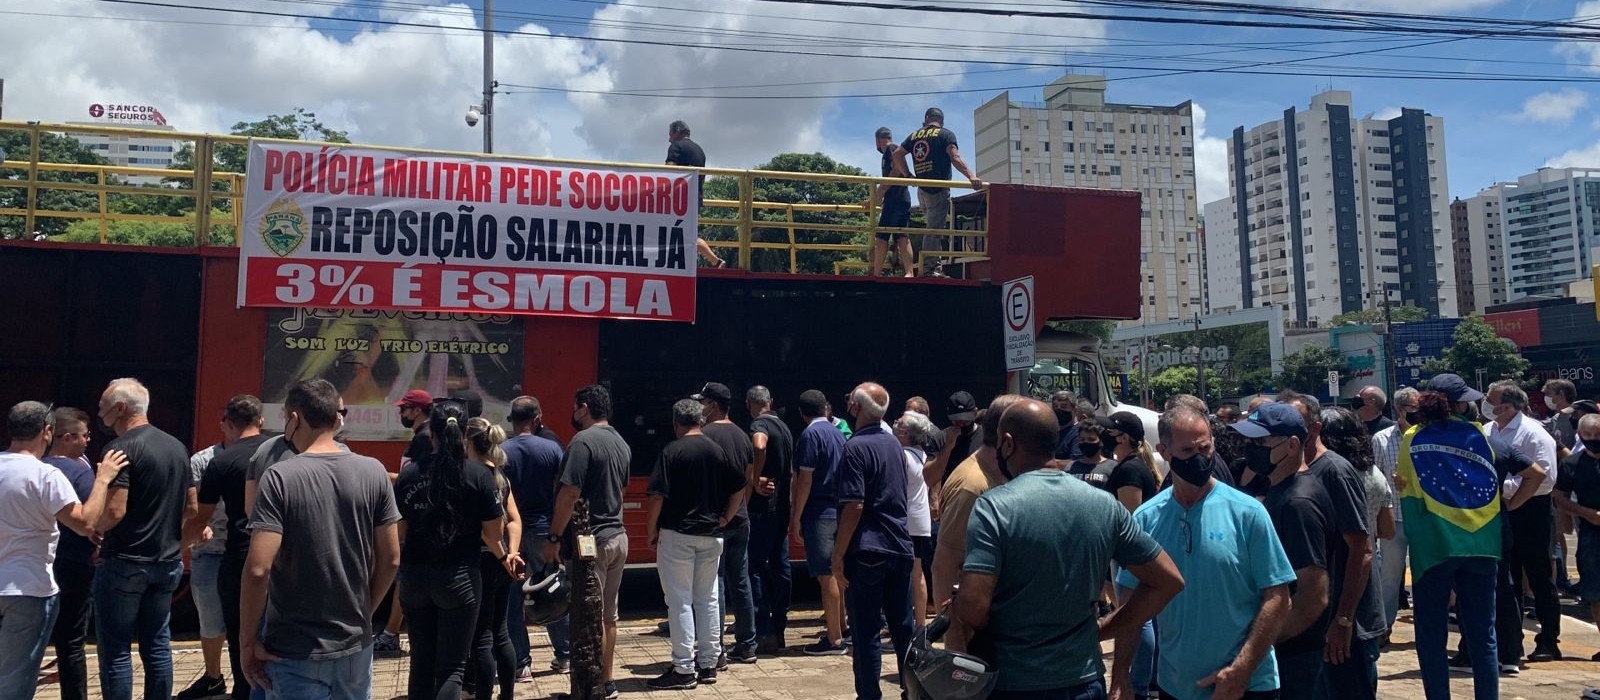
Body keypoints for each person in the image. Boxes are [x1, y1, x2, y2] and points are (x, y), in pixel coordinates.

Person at [957, 398, 1185, 700]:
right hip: (1084, 680)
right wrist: (1103, 629)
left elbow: (974, 609)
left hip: (1014, 682)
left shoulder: (994, 508)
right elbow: (1168, 580)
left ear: (1008, 443)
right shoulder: (1103, 505)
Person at [239, 379, 402, 700]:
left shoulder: (280, 477)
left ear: (295, 418)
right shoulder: (373, 471)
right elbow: (392, 558)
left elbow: (258, 570)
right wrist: (365, 614)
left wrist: (247, 642)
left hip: (294, 648)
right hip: (355, 646)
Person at [1119, 406, 1294, 700]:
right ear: (1165, 451)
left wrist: (1241, 669)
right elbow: (1131, 608)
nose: (1199, 457)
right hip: (1175, 685)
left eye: (1205, 447)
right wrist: (1120, 677)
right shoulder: (1146, 519)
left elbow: (1278, 597)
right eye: (1187, 450)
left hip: (1247, 686)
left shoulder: (1248, 513)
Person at [1399, 374, 1527, 700]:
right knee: (1483, 636)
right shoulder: (1478, 434)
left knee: (1431, 637)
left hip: (1435, 548)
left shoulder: (1413, 436)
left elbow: (1406, 490)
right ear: (1458, 404)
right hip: (1482, 544)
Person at [0, 401, 127, 700]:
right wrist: (104, 479)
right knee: (15, 678)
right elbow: (85, 523)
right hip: (27, 587)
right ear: (46, 432)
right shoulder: (46, 475)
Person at [394, 401, 513, 700]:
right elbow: (493, 533)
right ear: (463, 435)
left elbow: (399, 532)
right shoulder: (478, 475)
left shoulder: (409, 475)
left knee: (420, 664)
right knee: (451, 669)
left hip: (414, 576)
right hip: (459, 577)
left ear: (430, 433)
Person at [93, 378, 196, 700]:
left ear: (120, 408)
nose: (99, 414)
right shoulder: (176, 447)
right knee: (157, 644)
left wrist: (95, 529)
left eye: (102, 408)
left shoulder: (118, 449)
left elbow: (115, 511)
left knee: (116, 649)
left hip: (124, 560)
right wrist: (165, 529)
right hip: (166, 561)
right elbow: (192, 506)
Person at [1275, 391, 1381, 700]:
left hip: (1345, 628)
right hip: (1312, 627)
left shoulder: (1335, 471)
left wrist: (1344, 620)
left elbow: (1361, 550)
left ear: (1315, 428)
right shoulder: (1290, 474)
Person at [1229, 402, 1335, 698]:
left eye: (1260, 442)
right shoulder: (1280, 490)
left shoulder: (1298, 503)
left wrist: (1261, 645)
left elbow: (1313, 596)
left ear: (1291, 445)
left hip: (1294, 655)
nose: (1251, 449)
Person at [646, 399, 746, 689]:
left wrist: (651, 529)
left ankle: (683, 668)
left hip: (678, 533)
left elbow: (657, 496)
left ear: (676, 422)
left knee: (679, 601)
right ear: (701, 421)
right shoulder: (717, 450)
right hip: (712, 533)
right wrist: (727, 514)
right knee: (708, 599)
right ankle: (709, 663)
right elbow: (740, 484)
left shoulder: (672, 451)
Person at [541, 385, 632, 700]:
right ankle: (606, 682)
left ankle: (586, 688)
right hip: (618, 537)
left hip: (590, 541)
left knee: (584, 616)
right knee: (608, 616)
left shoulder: (582, 443)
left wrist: (553, 537)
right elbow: (620, 487)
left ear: (583, 407)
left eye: (574, 406)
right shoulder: (620, 442)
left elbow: (569, 495)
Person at [185, 395, 273, 700]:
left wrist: (174, 548)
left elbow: (199, 519)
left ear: (229, 423)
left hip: (237, 558)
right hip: (281, 555)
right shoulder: (283, 452)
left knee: (239, 632)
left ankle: (245, 689)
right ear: (260, 421)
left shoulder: (220, 461)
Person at [832, 382, 916, 700]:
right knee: (902, 628)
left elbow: (854, 504)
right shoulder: (895, 445)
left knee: (866, 632)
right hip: (899, 545)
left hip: (867, 548)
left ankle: (869, 695)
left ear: (856, 408)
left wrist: (838, 554)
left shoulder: (854, 447)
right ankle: (912, 691)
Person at [932, 393, 1026, 639]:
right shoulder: (973, 488)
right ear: (1008, 439)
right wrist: (954, 636)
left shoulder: (1003, 476)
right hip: (978, 633)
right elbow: (945, 564)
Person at [1317, 406, 1395, 696]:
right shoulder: (1373, 475)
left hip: (1343, 575)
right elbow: (1387, 531)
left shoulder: (1329, 474)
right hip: (1368, 577)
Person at [1485, 380, 1562, 663]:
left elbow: (1546, 479)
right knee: (1508, 579)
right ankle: (1511, 641)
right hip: (1502, 512)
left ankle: (1548, 640)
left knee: (1540, 576)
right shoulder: (1487, 431)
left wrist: (1512, 496)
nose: (1487, 405)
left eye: (1491, 400)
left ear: (1506, 405)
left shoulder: (1533, 432)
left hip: (1532, 510)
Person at [690, 381, 759, 663]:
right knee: (740, 581)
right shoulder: (744, 435)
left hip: (714, 521)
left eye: (704, 402)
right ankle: (747, 644)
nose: (701, 407)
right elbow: (749, 479)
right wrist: (739, 508)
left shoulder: (704, 435)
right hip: (740, 518)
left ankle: (715, 648)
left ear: (714, 405)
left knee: (712, 585)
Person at [501, 396, 570, 677]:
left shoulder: (502, 451)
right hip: (544, 528)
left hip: (512, 532)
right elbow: (563, 489)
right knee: (553, 591)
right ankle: (564, 655)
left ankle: (522, 663)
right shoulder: (552, 449)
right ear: (537, 417)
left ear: (513, 420)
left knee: (512, 599)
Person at [40, 408, 100, 700]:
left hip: (35, 563)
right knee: (71, 642)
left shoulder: (35, 466)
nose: (88, 441)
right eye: (84, 435)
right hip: (74, 563)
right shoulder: (79, 471)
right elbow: (94, 518)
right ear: (67, 437)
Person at [465, 416, 526, 700]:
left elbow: (488, 534)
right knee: (501, 632)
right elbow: (514, 519)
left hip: (484, 562)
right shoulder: (501, 476)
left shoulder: (471, 476)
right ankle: (508, 695)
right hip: (503, 563)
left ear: (468, 441)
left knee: (482, 637)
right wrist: (512, 553)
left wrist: (503, 557)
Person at [790, 390, 849, 656]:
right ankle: (843, 624)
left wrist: (796, 516)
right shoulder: (838, 433)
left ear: (802, 412)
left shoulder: (810, 436)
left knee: (826, 576)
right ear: (825, 409)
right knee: (837, 570)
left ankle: (834, 639)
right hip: (839, 510)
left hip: (819, 511)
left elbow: (805, 479)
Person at [891, 107, 983, 276]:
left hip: (922, 190)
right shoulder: (945, 134)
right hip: (938, 190)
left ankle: (933, 265)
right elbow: (954, 157)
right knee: (934, 231)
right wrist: (971, 176)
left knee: (933, 228)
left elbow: (897, 155)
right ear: (941, 121)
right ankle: (930, 269)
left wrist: (908, 176)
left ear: (926, 119)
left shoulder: (914, 135)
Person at [742, 385, 794, 655]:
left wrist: (753, 478)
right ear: (770, 401)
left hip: (763, 509)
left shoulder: (759, 424)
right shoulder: (784, 428)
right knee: (780, 565)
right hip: (782, 509)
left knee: (755, 567)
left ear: (748, 403)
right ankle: (780, 627)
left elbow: (758, 444)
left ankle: (763, 630)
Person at [179, 436, 231, 700]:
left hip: (243, 550)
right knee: (210, 622)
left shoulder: (261, 454)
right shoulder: (201, 460)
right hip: (209, 551)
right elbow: (190, 503)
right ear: (224, 424)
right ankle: (213, 677)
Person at [1372, 387, 1421, 631]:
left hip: (1423, 517)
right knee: (1390, 576)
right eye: (1413, 408)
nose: (1418, 413)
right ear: (1400, 410)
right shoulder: (1381, 439)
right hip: (1396, 517)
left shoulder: (1426, 436)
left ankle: (1427, 624)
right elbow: (1376, 480)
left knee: (1425, 575)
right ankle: (1384, 625)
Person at [1553, 413, 1600, 661]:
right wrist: (1586, 514)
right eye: (1588, 436)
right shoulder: (1571, 464)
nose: (1593, 440)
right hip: (1591, 532)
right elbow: (1559, 496)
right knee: (1595, 591)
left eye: (1598, 436)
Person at [895, 410, 936, 628]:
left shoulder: (902, 456)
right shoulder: (922, 454)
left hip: (905, 520)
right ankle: (920, 625)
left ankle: (904, 625)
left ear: (905, 433)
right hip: (920, 518)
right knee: (918, 573)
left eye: (898, 423)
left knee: (903, 576)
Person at [665, 120, 721, 269]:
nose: (669, 139)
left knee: (676, 233)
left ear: (678, 132)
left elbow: (669, 172)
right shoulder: (699, 150)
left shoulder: (676, 146)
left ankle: (714, 260)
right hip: (695, 199)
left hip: (678, 200)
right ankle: (715, 261)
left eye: (670, 134)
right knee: (687, 234)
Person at [869, 126, 916, 277]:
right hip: (901, 199)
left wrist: (881, 191)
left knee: (882, 236)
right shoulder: (893, 149)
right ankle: (909, 272)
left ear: (878, 140)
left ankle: (876, 273)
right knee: (901, 236)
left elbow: (896, 169)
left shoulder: (891, 149)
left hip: (894, 199)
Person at [1105, 411, 1159, 513]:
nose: (1105, 435)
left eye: (1110, 432)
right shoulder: (1128, 465)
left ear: (1124, 438)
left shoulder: (1129, 470)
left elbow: (1129, 517)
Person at [924, 390, 979, 488]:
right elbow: (930, 479)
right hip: (951, 496)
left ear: (975, 413)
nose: (961, 423)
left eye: (966, 419)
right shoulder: (940, 438)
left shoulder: (986, 437)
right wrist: (948, 446)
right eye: (957, 420)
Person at [1066, 419, 1114, 488]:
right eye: (1082, 439)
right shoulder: (1071, 466)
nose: (1086, 442)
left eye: (1091, 439)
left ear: (1101, 442)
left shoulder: (1112, 467)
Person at [1052, 390, 1082, 461]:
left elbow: (1075, 462)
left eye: (1064, 407)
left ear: (1075, 410)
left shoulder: (1079, 433)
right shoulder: (1051, 431)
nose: (1058, 410)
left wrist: (1049, 463)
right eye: (1055, 407)